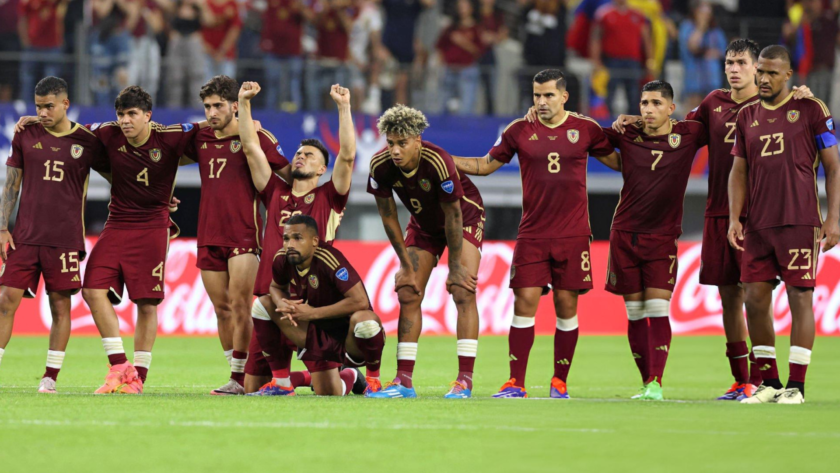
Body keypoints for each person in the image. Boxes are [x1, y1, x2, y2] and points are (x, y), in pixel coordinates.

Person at [613, 39, 816, 401]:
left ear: (757, 67)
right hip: (719, 213)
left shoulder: (775, 103)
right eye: (728, 63)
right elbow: (678, 134)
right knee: (729, 297)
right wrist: (641, 123)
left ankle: (764, 379)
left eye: (741, 62)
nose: (734, 69)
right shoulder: (713, 104)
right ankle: (742, 380)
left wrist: (802, 95)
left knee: (758, 296)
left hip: (764, 215)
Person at [453, 69, 620, 398]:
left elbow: (618, 161)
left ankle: (559, 382)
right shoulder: (518, 130)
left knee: (565, 303)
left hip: (573, 233)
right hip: (532, 233)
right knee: (524, 301)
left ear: (563, 97)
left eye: (548, 95)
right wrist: (445, 160)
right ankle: (516, 382)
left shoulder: (585, 129)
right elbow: (486, 165)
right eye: (536, 96)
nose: (542, 102)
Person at [728, 45, 839, 405]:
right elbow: (738, 171)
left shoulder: (811, 109)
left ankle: (798, 386)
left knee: (800, 296)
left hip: (800, 219)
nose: (762, 78)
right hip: (758, 222)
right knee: (755, 297)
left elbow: (834, 167)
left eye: (772, 72)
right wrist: (734, 217)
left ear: (788, 76)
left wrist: (834, 217)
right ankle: (770, 382)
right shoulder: (746, 116)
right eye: (760, 71)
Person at [236, 81, 357, 395]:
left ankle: (345, 377)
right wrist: (244, 102)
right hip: (272, 300)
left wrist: (343, 107)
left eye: (309, 155)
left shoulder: (330, 196)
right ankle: (284, 381)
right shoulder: (274, 191)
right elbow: (251, 148)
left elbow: (347, 157)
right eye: (299, 153)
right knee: (252, 388)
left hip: (312, 300)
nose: (300, 157)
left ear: (321, 169)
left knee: (328, 392)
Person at [83, 86, 199, 394]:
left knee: (146, 302)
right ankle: (120, 366)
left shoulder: (170, 136)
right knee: (92, 290)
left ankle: (138, 380)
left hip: (152, 226)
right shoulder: (107, 133)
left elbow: (212, 131)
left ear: (148, 115)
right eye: (121, 114)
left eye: (132, 114)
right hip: (117, 222)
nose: (125, 120)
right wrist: (33, 119)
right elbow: (67, 131)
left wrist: (246, 121)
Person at [181, 75, 290, 395]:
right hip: (208, 234)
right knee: (221, 309)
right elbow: (162, 155)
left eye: (218, 106)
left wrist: (285, 221)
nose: (211, 113)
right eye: (207, 107)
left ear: (233, 106)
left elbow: (287, 179)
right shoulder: (199, 136)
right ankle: (235, 374)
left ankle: (242, 376)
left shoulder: (255, 135)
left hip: (244, 234)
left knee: (241, 305)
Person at [366, 104, 484, 399]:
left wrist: (455, 265)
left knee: (462, 289)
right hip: (423, 224)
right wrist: (405, 264)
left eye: (402, 143)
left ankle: (464, 381)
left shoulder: (438, 161)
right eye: (391, 143)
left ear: (417, 140)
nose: (395, 150)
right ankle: (404, 381)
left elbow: (454, 216)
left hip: (463, 217)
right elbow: (388, 216)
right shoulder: (380, 166)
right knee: (408, 290)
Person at [0, 77, 110, 393]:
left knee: (60, 307)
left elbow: (120, 172)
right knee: (6, 300)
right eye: (38, 106)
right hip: (24, 235)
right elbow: (12, 183)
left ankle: (50, 377)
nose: (43, 112)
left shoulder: (87, 141)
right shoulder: (25, 133)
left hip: (64, 238)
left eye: (49, 106)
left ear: (65, 103)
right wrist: (3, 226)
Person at [603, 80, 708, 401]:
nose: (648, 109)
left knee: (658, 308)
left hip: (662, 238)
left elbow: (727, 115)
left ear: (670, 109)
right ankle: (646, 383)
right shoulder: (625, 134)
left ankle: (656, 382)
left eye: (656, 104)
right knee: (635, 313)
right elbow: (581, 136)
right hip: (625, 235)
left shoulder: (688, 134)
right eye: (644, 103)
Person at [268, 215, 385, 396]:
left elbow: (360, 301)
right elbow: (275, 287)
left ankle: (373, 381)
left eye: (297, 238)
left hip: (349, 339)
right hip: (320, 334)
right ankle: (282, 381)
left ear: (315, 241)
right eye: (286, 238)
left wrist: (312, 313)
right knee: (262, 305)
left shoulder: (329, 259)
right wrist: (281, 303)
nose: (290, 244)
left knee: (366, 322)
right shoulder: (282, 258)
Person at [590, 0, 653, 115]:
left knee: (634, 97)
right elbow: (596, 38)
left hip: (633, 62)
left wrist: (649, 61)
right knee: (609, 95)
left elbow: (646, 39)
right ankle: (607, 127)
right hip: (611, 61)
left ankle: (634, 127)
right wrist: (596, 62)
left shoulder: (638, 15)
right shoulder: (604, 14)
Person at [260, 0, 313, 111]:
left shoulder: (296, 3)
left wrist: (300, 7)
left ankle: (295, 114)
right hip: (273, 50)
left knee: (293, 84)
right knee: (273, 83)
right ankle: (270, 114)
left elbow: (311, 18)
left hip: (293, 51)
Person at [678, 1, 727, 111]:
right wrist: (701, 26)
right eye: (703, 9)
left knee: (710, 118)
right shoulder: (687, 26)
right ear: (695, 11)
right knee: (691, 118)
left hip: (712, 81)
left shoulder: (715, 30)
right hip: (694, 80)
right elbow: (693, 46)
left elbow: (724, 52)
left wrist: (715, 53)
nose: (706, 13)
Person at [436, 0, 482, 115]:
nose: (462, 9)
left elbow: (479, 50)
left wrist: (463, 41)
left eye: (465, 6)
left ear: (471, 8)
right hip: (450, 70)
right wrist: (441, 63)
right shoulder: (451, 28)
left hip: (467, 71)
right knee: (444, 105)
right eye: (460, 6)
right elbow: (440, 46)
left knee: (466, 108)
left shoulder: (477, 28)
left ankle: (464, 132)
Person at [17, 0, 68, 102]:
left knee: (51, 80)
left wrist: (60, 40)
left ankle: (50, 106)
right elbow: (22, 20)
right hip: (32, 45)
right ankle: (26, 105)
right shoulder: (28, 2)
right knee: (27, 78)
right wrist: (25, 41)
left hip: (52, 45)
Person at [201, 0, 242, 80]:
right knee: (206, 87)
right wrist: (208, 48)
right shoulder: (205, 3)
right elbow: (199, 28)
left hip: (226, 55)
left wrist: (222, 51)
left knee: (226, 87)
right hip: (206, 53)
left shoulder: (232, 4)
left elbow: (235, 29)